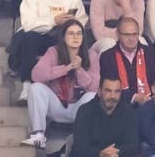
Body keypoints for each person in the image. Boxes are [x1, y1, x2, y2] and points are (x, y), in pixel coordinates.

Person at [10, 0, 89, 82]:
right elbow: (28, 24)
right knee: (30, 37)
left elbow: (82, 20)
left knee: (77, 37)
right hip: (38, 38)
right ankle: (27, 84)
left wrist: (71, 25)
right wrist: (53, 21)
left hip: (61, 38)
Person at [22, 19, 98, 148]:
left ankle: (86, 137)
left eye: (79, 33)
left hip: (79, 108)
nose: (75, 37)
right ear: (63, 37)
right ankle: (39, 135)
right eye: (71, 33)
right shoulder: (53, 52)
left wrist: (79, 70)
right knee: (35, 88)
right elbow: (36, 75)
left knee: (92, 96)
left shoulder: (92, 55)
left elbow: (96, 86)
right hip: (56, 105)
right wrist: (65, 69)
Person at [100, 17, 155, 105]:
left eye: (134, 34)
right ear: (117, 34)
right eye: (127, 35)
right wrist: (134, 98)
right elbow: (109, 88)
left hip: (151, 104)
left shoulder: (152, 54)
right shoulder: (107, 57)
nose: (131, 38)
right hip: (120, 105)